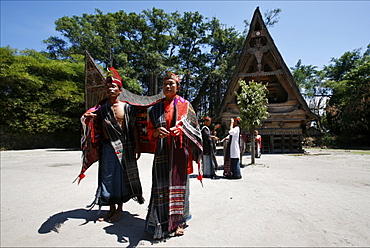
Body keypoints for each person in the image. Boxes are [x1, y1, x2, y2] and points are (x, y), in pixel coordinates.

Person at [76, 67, 144, 223]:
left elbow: (133, 127)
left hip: (125, 146)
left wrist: (137, 146)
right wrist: (88, 118)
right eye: (107, 87)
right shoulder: (101, 108)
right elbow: (88, 120)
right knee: (107, 177)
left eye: (113, 87)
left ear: (120, 90)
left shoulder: (127, 108)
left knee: (121, 178)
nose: (110, 89)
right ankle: (110, 209)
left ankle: (119, 210)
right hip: (107, 147)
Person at [145, 71, 203, 240]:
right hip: (162, 152)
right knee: (160, 186)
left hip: (179, 152)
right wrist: (156, 131)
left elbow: (195, 131)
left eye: (171, 84)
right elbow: (149, 132)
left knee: (180, 188)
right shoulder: (154, 109)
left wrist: (182, 130)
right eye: (165, 84)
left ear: (178, 87)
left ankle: (178, 223)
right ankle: (158, 222)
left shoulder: (186, 105)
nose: (168, 86)